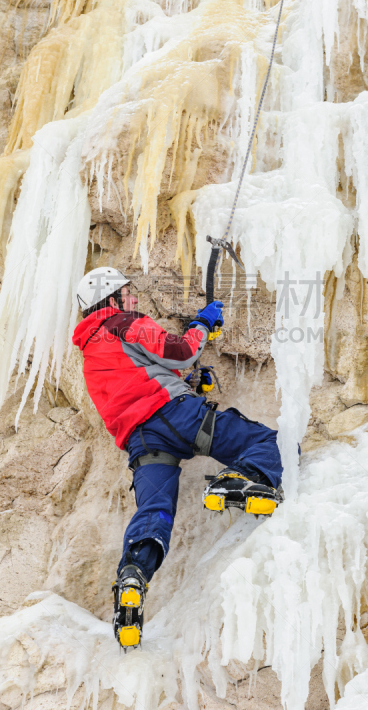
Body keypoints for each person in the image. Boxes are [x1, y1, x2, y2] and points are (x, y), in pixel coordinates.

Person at [73, 266, 283, 648]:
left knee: (154, 515)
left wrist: (187, 383)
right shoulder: (124, 322)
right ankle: (241, 480)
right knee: (269, 442)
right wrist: (202, 323)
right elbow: (180, 351)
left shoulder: (90, 356)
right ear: (111, 298)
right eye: (127, 292)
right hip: (177, 416)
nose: (133, 299)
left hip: (142, 441)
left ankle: (133, 579)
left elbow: (136, 384)